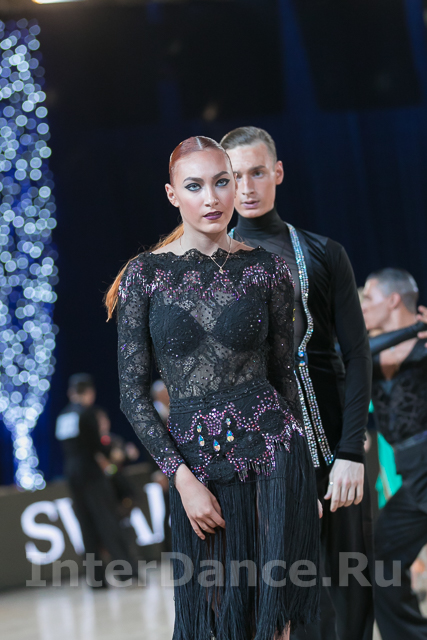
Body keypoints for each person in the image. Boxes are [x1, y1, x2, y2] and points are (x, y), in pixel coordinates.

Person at [106, 136, 321, 640]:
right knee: (213, 616)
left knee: (273, 621)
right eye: (195, 186)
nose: (212, 198)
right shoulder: (145, 276)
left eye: (221, 182)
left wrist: (306, 478)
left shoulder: (266, 269)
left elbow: (285, 376)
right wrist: (180, 479)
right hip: (196, 465)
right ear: (172, 194)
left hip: (273, 452)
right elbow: (132, 395)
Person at [221, 126, 373, 640]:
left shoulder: (324, 252)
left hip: (337, 452)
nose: (246, 188)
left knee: (351, 588)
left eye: (257, 172)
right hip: (268, 459)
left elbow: (356, 355)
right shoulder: (212, 266)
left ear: (278, 173)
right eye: (234, 177)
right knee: (295, 602)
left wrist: (351, 452)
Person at [361, 268, 427, 640]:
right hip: (414, 476)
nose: (362, 307)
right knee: (381, 558)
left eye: (368, 299)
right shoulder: (366, 354)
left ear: (393, 300)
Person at [55, 373, 138, 586]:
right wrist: (116, 456)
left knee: (86, 525)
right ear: (90, 392)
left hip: (72, 474)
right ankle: (127, 574)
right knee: (107, 522)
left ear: (71, 392)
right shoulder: (87, 413)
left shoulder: (63, 416)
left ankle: (96, 580)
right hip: (91, 474)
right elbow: (96, 446)